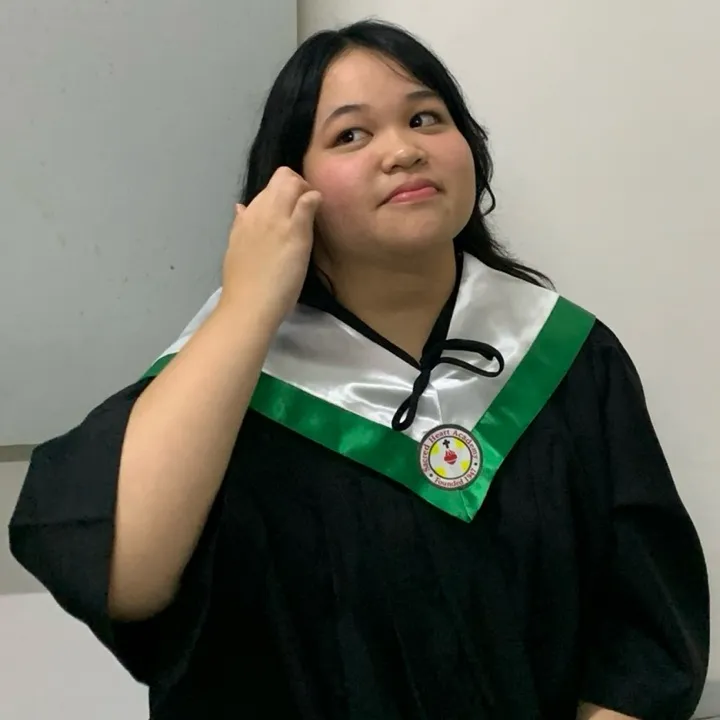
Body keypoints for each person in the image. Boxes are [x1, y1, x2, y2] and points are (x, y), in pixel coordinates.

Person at [8, 19, 709, 720]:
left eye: (425, 118)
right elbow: (126, 579)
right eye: (350, 134)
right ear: (289, 187)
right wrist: (249, 302)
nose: (403, 150)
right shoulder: (235, 386)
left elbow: (645, 632)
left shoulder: (569, 357)